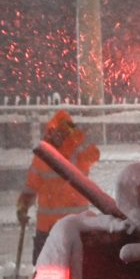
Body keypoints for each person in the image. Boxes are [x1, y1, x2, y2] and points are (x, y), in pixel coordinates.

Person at [17, 109, 100, 263]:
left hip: (67, 227)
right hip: (59, 227)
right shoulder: (43, 156)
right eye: (56, 131)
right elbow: (31, 186)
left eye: (64, 131)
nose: (59, 135)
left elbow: (95, 153)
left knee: (62, 272)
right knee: (50, 273)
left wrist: (79, 138)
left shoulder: (77, 152)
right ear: (50, 131)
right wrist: (23, 205)